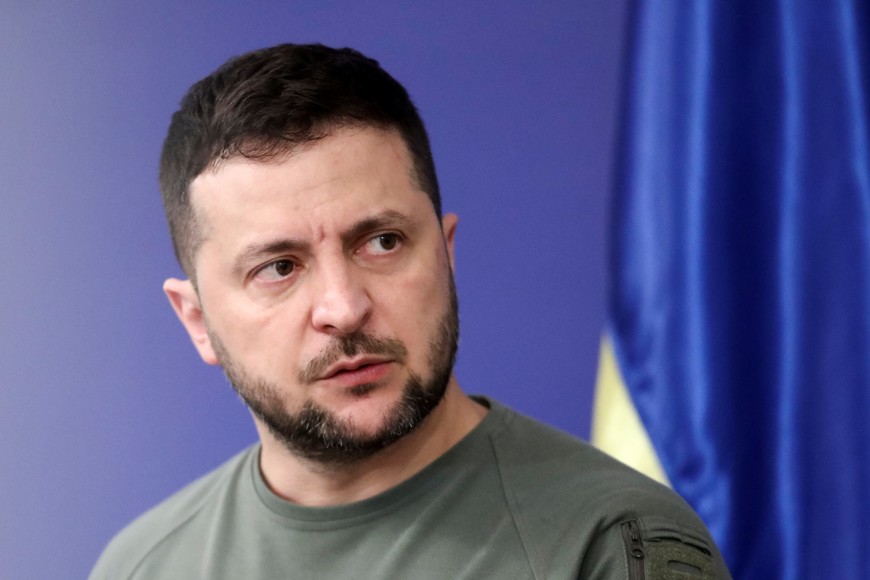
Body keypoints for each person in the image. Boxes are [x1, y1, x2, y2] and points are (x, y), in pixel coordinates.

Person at [90, 43, 731, 579]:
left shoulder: (613, 545)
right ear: (197, 320)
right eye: (279, 268)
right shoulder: (140, 565)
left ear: (446, 254)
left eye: (382, 242)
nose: (344, 308)